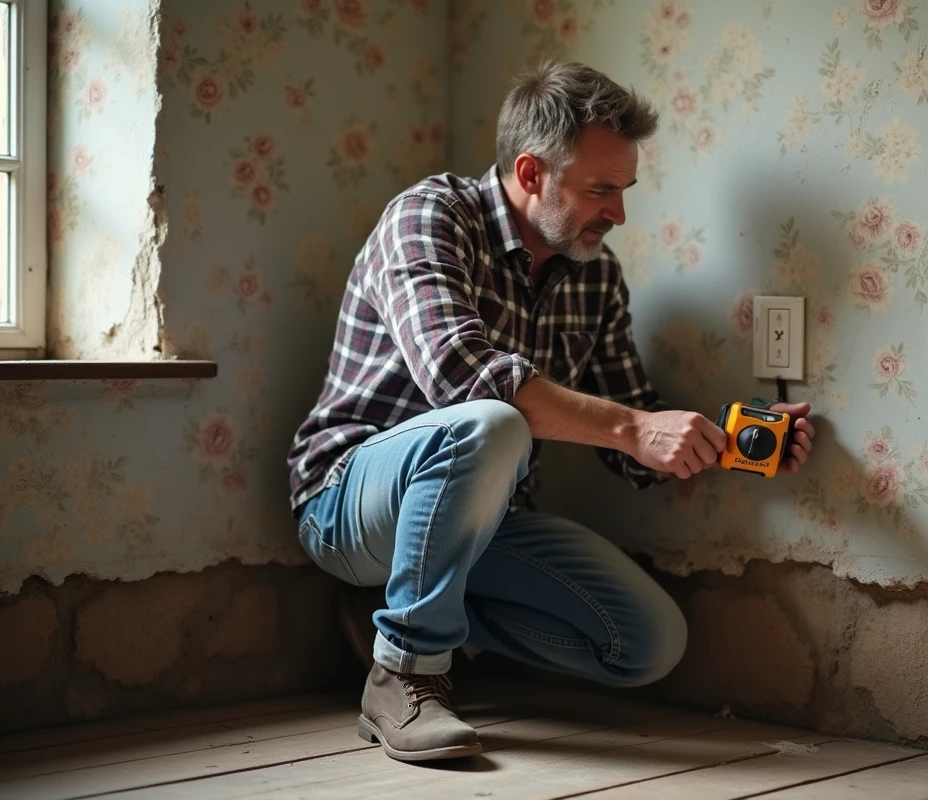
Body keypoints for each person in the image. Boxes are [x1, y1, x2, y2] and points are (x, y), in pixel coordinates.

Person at [286, 60, 816, 763]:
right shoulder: (430, 216)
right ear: (532, 174)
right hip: (348, 499)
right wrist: (634, 429)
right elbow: (459, 376)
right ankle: (405, 674)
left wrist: (713, 442)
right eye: (601, 189)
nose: (619, 213)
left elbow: (625, 432)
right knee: (490, 418)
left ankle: (395, 612)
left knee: (649, 641)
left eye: (625, 190)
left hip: (490, 516)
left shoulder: (596, 278)